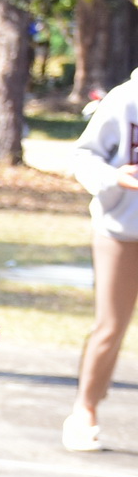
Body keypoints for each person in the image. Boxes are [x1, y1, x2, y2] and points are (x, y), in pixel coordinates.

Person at [61, 72, 136, 452]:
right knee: (111, 325)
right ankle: (84, 410)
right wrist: (114, 177)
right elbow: (83, 156)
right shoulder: (126, 99)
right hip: (120, 230)